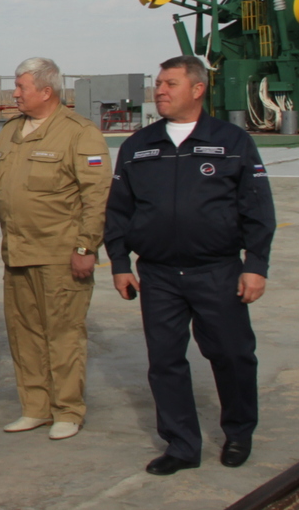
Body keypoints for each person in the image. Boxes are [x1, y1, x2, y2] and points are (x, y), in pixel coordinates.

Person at [106, 55, 274, 475]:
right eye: (159, 84)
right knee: (165, 362)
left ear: (197, 89)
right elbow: (118, 211)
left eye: (170, 84)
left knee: (232, 355)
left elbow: (257, 207)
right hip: (158, 274)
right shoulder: (137, 146)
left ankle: (238, 432)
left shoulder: (232, 141)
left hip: (217, 270)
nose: (160, 91)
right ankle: (181, 445)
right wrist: (119, 262)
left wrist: (255, 264)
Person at [0, 57, 110, 441]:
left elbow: (96, 195)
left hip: (59, 254)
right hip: (17, 252)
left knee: (63, 335)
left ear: (46, 91)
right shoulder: (10, 132)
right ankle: (35, 407)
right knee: (24, 333)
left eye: (21, 88)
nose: (14, 94)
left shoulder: (79, 133)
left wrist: (86, 247)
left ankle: (67, 409)